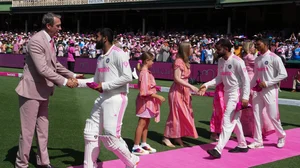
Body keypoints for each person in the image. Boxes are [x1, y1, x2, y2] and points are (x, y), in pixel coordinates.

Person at [15, 13, 82, 168]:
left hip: (44, 91)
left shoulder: (50, 40)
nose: (60, 28)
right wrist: (66, 81)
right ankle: (21, 164)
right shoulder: (37, 41)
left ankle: (43, 162)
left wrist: (72, 74)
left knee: (43, 130)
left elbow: (55, 64)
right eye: (57, 25)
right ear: (48, 26)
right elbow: (43, 69)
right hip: (31, 91)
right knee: (27, 132)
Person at [76, 28, 139, 168]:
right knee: (90, 132)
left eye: (97, 37)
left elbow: (127, 77)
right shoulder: (100, 58)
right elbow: (95, 80)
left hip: (116, 98)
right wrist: (76, 83)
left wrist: (105, 85)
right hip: (102, 98)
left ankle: (131, 161)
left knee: (111, 139)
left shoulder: (119, 53)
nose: (95, 39)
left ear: (105, 38)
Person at [199, 39, 250, 159]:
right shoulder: (221, 61)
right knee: (235, 120)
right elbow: (219, 78)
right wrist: (206, 85)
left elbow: (246, 80)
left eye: (219, 49)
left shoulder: (238, 61)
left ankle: (218, 149)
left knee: (227, 120)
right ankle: (242, 144)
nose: (217, 51)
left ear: (226, 49)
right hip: (227, 94)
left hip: (236, 95)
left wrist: (245, 97)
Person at [248, 38, 287, 149]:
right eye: (255, 45)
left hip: (270, 90)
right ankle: (258, 141)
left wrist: (268, 83)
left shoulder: (274, 58)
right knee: (256, 115)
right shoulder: (257, 59)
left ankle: (281, 136)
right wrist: (248, 90)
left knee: (273, 116)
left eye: (258, 44)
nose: (256, 47)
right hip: (257, 91)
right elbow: (255, 76)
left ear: (266, 44)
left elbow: (283, 74)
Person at [162, 42, 199, 148]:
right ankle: (166, 137)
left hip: (184, 91)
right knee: (175, 114)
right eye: (191, 47)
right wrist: (191, 86)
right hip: (177, 91)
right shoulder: (178, 61)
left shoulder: (186, 61)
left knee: (183, 114)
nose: (192, 49)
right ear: (186, 49)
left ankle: (177, 136)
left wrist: (188, 90)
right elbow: (177, 78)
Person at [132, 51, 165, 155]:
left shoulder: (145, 72)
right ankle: (136, 146)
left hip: (149, 102)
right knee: (142, 123)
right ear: (147, 61)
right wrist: (157, 96)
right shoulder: (144, 73)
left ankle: (143, 143)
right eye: (152, 60)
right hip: (145, 102)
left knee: (146, 123)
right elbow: (144, 91)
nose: (153, 63)